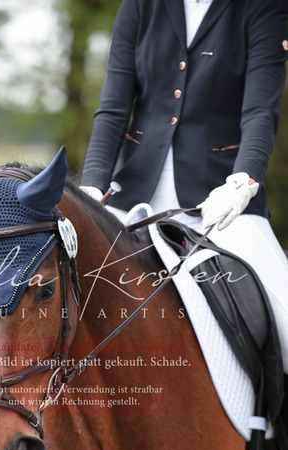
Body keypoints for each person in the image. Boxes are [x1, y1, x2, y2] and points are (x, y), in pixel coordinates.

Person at [80, 0, 288, 376]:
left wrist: (243, 180)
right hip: (131, 196)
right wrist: (92, 189)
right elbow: (112, 110)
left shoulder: (262, 8)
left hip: (223, 199)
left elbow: (260, 110)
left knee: (284, 311)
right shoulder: (140, 6)